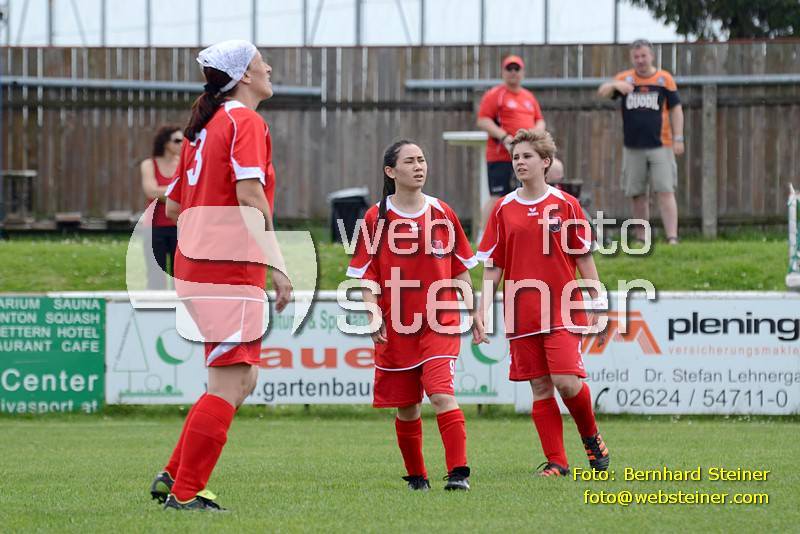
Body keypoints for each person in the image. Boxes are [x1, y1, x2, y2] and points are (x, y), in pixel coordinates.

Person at [149, 39, 292, 511]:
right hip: (228, 266)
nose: (269, 68)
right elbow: (250, 195)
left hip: (199, 264)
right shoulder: (243, 120)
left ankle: (174, 475)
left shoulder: (203, 129)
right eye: (261, 62)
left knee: (241, 379)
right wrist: (278, 262)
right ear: (244, 75)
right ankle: (186, 493)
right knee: (231, 382)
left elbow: (173, 206)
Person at [347, 140, 486, 491]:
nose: (419, 166)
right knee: (407, 407)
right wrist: (372, 314)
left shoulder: (442, 212)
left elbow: (459, 269)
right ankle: (417, 477)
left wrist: (474, 312)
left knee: (440, 394)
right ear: (391, 171)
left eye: (422, 160)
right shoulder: (376, 218)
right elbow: (367, 275)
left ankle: (458, 473)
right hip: (396, 326)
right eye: (410, 161)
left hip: (441, 321)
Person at [477, 129, 609, 477]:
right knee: (539, 386)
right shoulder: (503, 208)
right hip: (521, 312)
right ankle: (557, 463)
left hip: (563, 308)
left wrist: (597, 300)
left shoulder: (565, 205)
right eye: (516, 157)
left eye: (527, 156)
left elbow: (583, 257)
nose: (520, 162)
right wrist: (482, 310)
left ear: (546, 162)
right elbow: (493, 266)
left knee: (566, 381)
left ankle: (591, 437)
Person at [597, 39, 684, 244]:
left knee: (665, 191)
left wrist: (678, 137)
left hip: (661, 145)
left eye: (643, 56)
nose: (640, 60)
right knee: (637, 194)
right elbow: (602, 93)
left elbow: (676, 109)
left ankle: (672, 237)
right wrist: (615, 85)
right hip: (633, 147)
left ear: (651, 56)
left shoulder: (664, 79)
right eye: (636, 57)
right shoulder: (625, 79)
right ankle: (642, 238)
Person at [476, 54, 545, 233]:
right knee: (497, 196)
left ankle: (523, 233)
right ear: (503, 72)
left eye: (516, 69)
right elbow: (483, 120)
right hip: (501, 156)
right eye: (509, 69)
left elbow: (540, 120)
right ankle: (484, 237)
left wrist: (533, 137)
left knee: (525, 194)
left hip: (527, 156)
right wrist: (505, 137)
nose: (513, 72)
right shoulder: (495, 95)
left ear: (522, 72)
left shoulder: (529, 97)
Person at [140, 125, 182, 289]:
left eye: (183, 140)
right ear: (165, 142)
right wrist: (177, 193)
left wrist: (163, 193)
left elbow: (191, 190)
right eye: (177, 140)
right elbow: (150, 191)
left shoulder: (184, 163)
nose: (182, 144)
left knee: (180, 276)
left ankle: (179, 306)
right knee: (155, 276)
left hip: (179, 226)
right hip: (154, 228)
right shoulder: (149, 164)